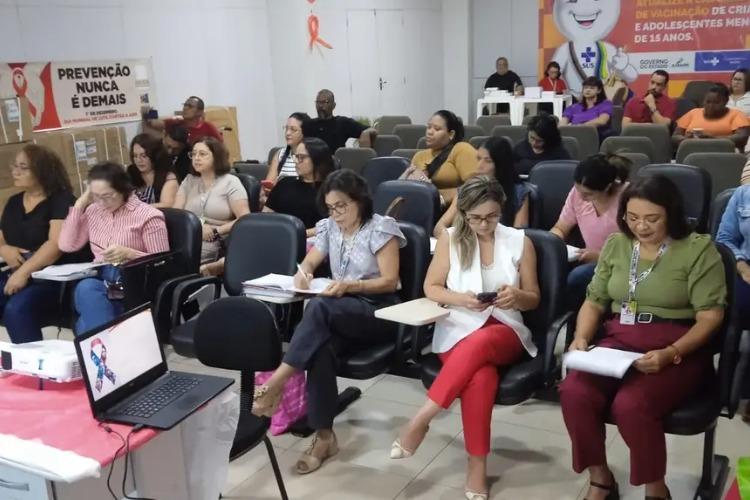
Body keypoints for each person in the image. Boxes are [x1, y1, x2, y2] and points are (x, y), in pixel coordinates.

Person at [560, 175, 726, 500]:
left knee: (632, 405)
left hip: (675, 344)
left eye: (652, 219)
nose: (641, 226)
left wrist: (671, 352)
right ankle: (600, 479)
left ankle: (656, 488)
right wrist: (581, 337)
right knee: (574, 392)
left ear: (671, 214)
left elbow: (711, 317)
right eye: (632, 217)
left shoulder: (697, 249)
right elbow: (594, 301)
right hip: (619, 339)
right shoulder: (617, 245)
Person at [392, 176, 540, 500]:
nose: (484, 224)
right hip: (459, 327)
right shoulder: (451, 238)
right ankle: (477, 466)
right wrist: (462, 299)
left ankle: (421, 419)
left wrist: (517, 296)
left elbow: (534, 298)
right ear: (463, 213)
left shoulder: (520, 241)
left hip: (505, 329)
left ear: (501, 210)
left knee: (482, 343)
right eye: (475, 218)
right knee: (481, 378)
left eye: (492, 216)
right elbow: (431, 288)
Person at [251, 169, 405, 474]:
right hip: (340, 312)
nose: (336, 214)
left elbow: (390, 281)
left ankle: (277, 382)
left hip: (378, 311)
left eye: (341, 206)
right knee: (320, 347)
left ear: (360, 200)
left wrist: (351, 286)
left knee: (319, 307)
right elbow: (311, 260)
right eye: (331, 207)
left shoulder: (381, 228)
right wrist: (304, 272)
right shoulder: (329, 228)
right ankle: (324, 437)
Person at [58, 162, 170, 334]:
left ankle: (101, 342)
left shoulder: (148, 215)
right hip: (102, 278)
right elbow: (67, 244)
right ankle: (108, 341)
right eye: (96, 196)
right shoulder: (94, 211)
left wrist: (129, 253)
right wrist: (80, 203)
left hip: (134, 282)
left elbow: (162, 262)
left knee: (86, 317)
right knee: (86, 289)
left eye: (107, 196)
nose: (102, 202)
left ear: (123, 189)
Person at [0, 145, 75, 343]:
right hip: (15, 273)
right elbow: (1, 237)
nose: (15, 172)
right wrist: (4, 249)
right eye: (14, 166)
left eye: (23, 167)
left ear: (41, 171)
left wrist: (22, 273)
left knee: (17, 309)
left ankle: (33, 360)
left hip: (51, 279)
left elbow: (55, 245)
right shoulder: (14, 202)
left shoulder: (61, 200)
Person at [551, 154, 630, 314]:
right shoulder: (577, 193)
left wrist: (601, 257)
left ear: (607, 187)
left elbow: (639, 245)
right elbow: (561, 228)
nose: (581, 197)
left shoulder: (629, 197)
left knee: (578, 277)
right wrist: (552, 244)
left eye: (588, 194)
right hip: (585, 258)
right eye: (578, 190)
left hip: (621, 262)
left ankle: (572, 319)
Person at [173, 137, 250, 264]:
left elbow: (244, 218)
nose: (196, 158)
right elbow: (176, 214)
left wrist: (216, 232)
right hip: (189, 235)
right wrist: (198, 227)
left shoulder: (230, 182)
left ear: (216, 157)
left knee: (184, 264)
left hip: (216, 239)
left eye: (202, 154)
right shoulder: (189, 180)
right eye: (193, 154)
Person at [434, 137, 531, 237]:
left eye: (487, 161)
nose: (479, 166)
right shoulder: (467, 189)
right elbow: (439, 227)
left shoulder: (519, 193)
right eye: (478, 159)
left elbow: (519, 235)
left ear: (500, 164)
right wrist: (456, 241)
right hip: (467, 243)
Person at [715, 184, 750, 421]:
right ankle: (731, 388)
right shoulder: (743, 194)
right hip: (745, 268)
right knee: (736, 307)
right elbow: (724, 239)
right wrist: (742, 267)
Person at [401, 110, 477, 204]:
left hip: (456, 207)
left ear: (451, 134)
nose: (429, 132)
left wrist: (436, 194)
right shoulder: (419, 156)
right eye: (429, 127)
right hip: (423, 206)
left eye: (437, 129)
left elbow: (476, 187)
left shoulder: (461, 149)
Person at [264, 137, 335, 237]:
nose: (296, 161)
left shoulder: (332, 190)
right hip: (279, 238)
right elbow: (266, 216)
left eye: (301, 157)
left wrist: (296, 235)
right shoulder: (284, 183)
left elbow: (333, 225)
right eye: (296, 157)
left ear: (317, 159)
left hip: (315, 240)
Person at [673, 83, 750, 150]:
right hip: (692, 151)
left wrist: (713, 139)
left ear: (725, 101)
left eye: (716, 102)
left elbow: (742, 138)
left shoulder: (736, 115)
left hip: (723, 154)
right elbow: (675, 137)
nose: (711, 106)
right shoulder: (693, 113)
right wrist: (685, 139)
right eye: (708, 102)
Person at [302, 90, 376, 151]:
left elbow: (373, 130)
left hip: (337, 162)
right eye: (318, 102)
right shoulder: (308, 125)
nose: (320, 106)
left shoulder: (342, 123)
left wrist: (366, 132)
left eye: (325, 102)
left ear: (334, 105)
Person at [126, 134, 178, 208]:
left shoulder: (168, 178)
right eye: (135, 156)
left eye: (143, 156)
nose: (139, 160)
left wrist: (137, 209)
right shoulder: (131, 173)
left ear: (154, 155)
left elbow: (166, 205)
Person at [146, 96, 223, 145]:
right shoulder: (176, 123)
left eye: (190, 106)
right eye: (185, 105)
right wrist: (148, 112)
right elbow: (153, 123)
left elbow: (221, 148)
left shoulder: (208, 127)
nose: (185, 108)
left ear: (199, 112)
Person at [560, 77, 614, 141]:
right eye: (585, 88)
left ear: (599, 90)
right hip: (573, 135)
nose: (588, 90)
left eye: (592, 88)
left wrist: (580, 127)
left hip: (595, 134)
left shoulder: (605, 104)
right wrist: (567, 129)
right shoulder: (573, 107)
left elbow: (602, 121)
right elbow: (562, 124)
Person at [265, 112, 311, 183]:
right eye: (286, 128)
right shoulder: (280, 154)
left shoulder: (312, 155)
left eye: (293, 129)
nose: (287, 133)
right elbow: (267, 185)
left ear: (305, 132)